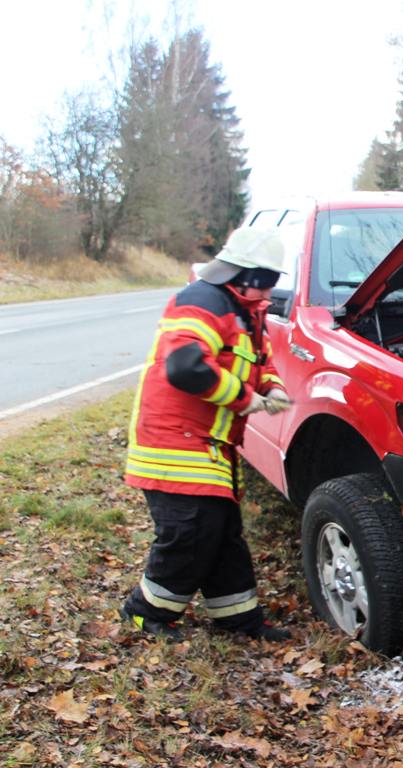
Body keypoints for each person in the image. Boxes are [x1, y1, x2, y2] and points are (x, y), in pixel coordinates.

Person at [120, 227, 294, 642]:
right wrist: (244, 398)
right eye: (266, 284)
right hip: (173, 442)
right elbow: (185, 368)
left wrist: (273, 387)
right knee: (190, 533)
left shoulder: (246, 314)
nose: (270, 294)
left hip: (211, 446)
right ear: (244, 277)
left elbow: (259, 361)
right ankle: (145, 612)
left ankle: (238, 618)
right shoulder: (200, 302)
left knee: (221, 535)